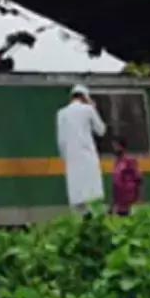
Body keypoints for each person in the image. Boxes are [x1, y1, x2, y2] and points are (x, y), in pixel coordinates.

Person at [56, 84, 107, 214]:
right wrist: (93, 107)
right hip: (88, 158)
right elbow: (101, 130)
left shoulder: (61, 113)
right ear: (85, 97)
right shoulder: (88, 109)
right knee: (93, 196)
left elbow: (61, 142)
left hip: (72, 161)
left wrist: (66, 158)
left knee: (77, 198)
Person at [110, 137, 144, 216]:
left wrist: (138, 199)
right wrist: (113, 204)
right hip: (119, 202)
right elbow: (116, 183)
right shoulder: (117, 162)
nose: (114, 149)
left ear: (121, 146)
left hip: (129, 201)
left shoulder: (129, 161)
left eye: (116, 146)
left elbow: (138, 179)